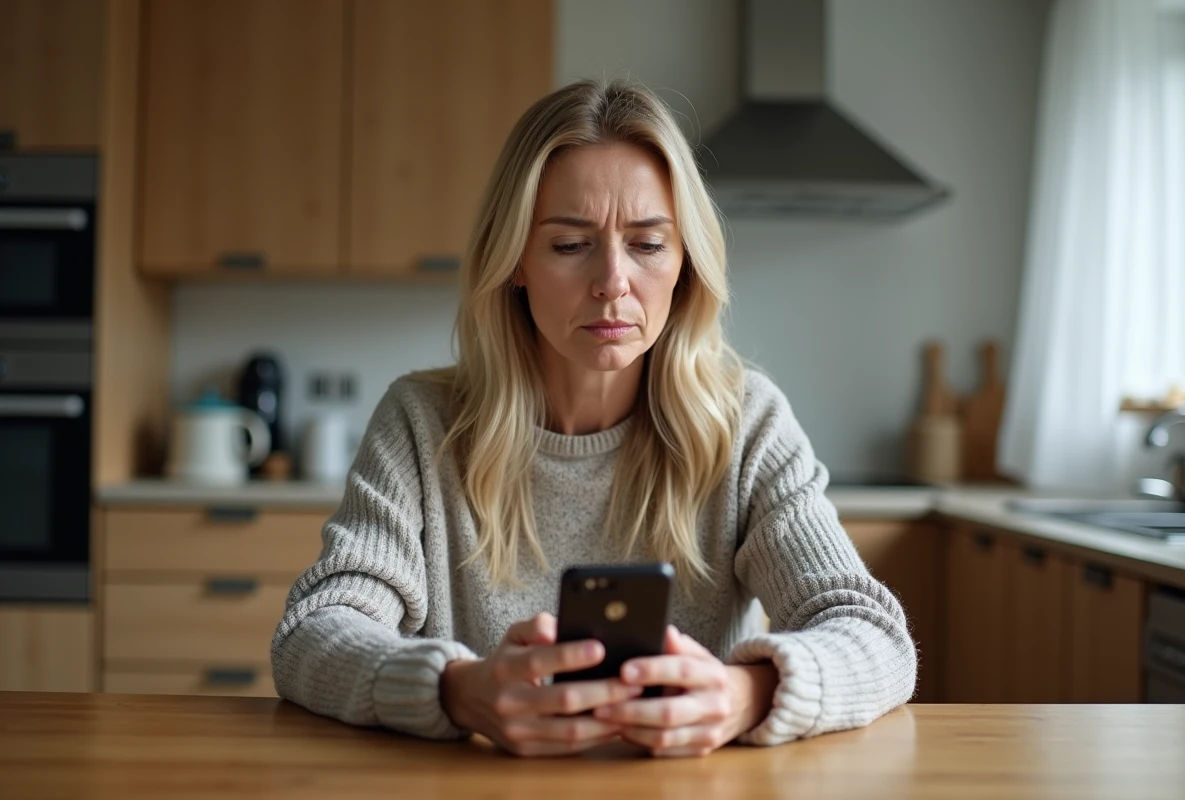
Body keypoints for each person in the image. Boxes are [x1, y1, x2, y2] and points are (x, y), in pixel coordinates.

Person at [271, 79, 916, 758]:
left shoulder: (746, 423)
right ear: (515, 261)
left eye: (648, 244)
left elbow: (874, 635)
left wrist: (745, 695)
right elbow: (313, 632)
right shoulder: (421, 423)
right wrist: (455, 691)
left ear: (685, 263)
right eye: (570, 245)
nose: (612, 281)